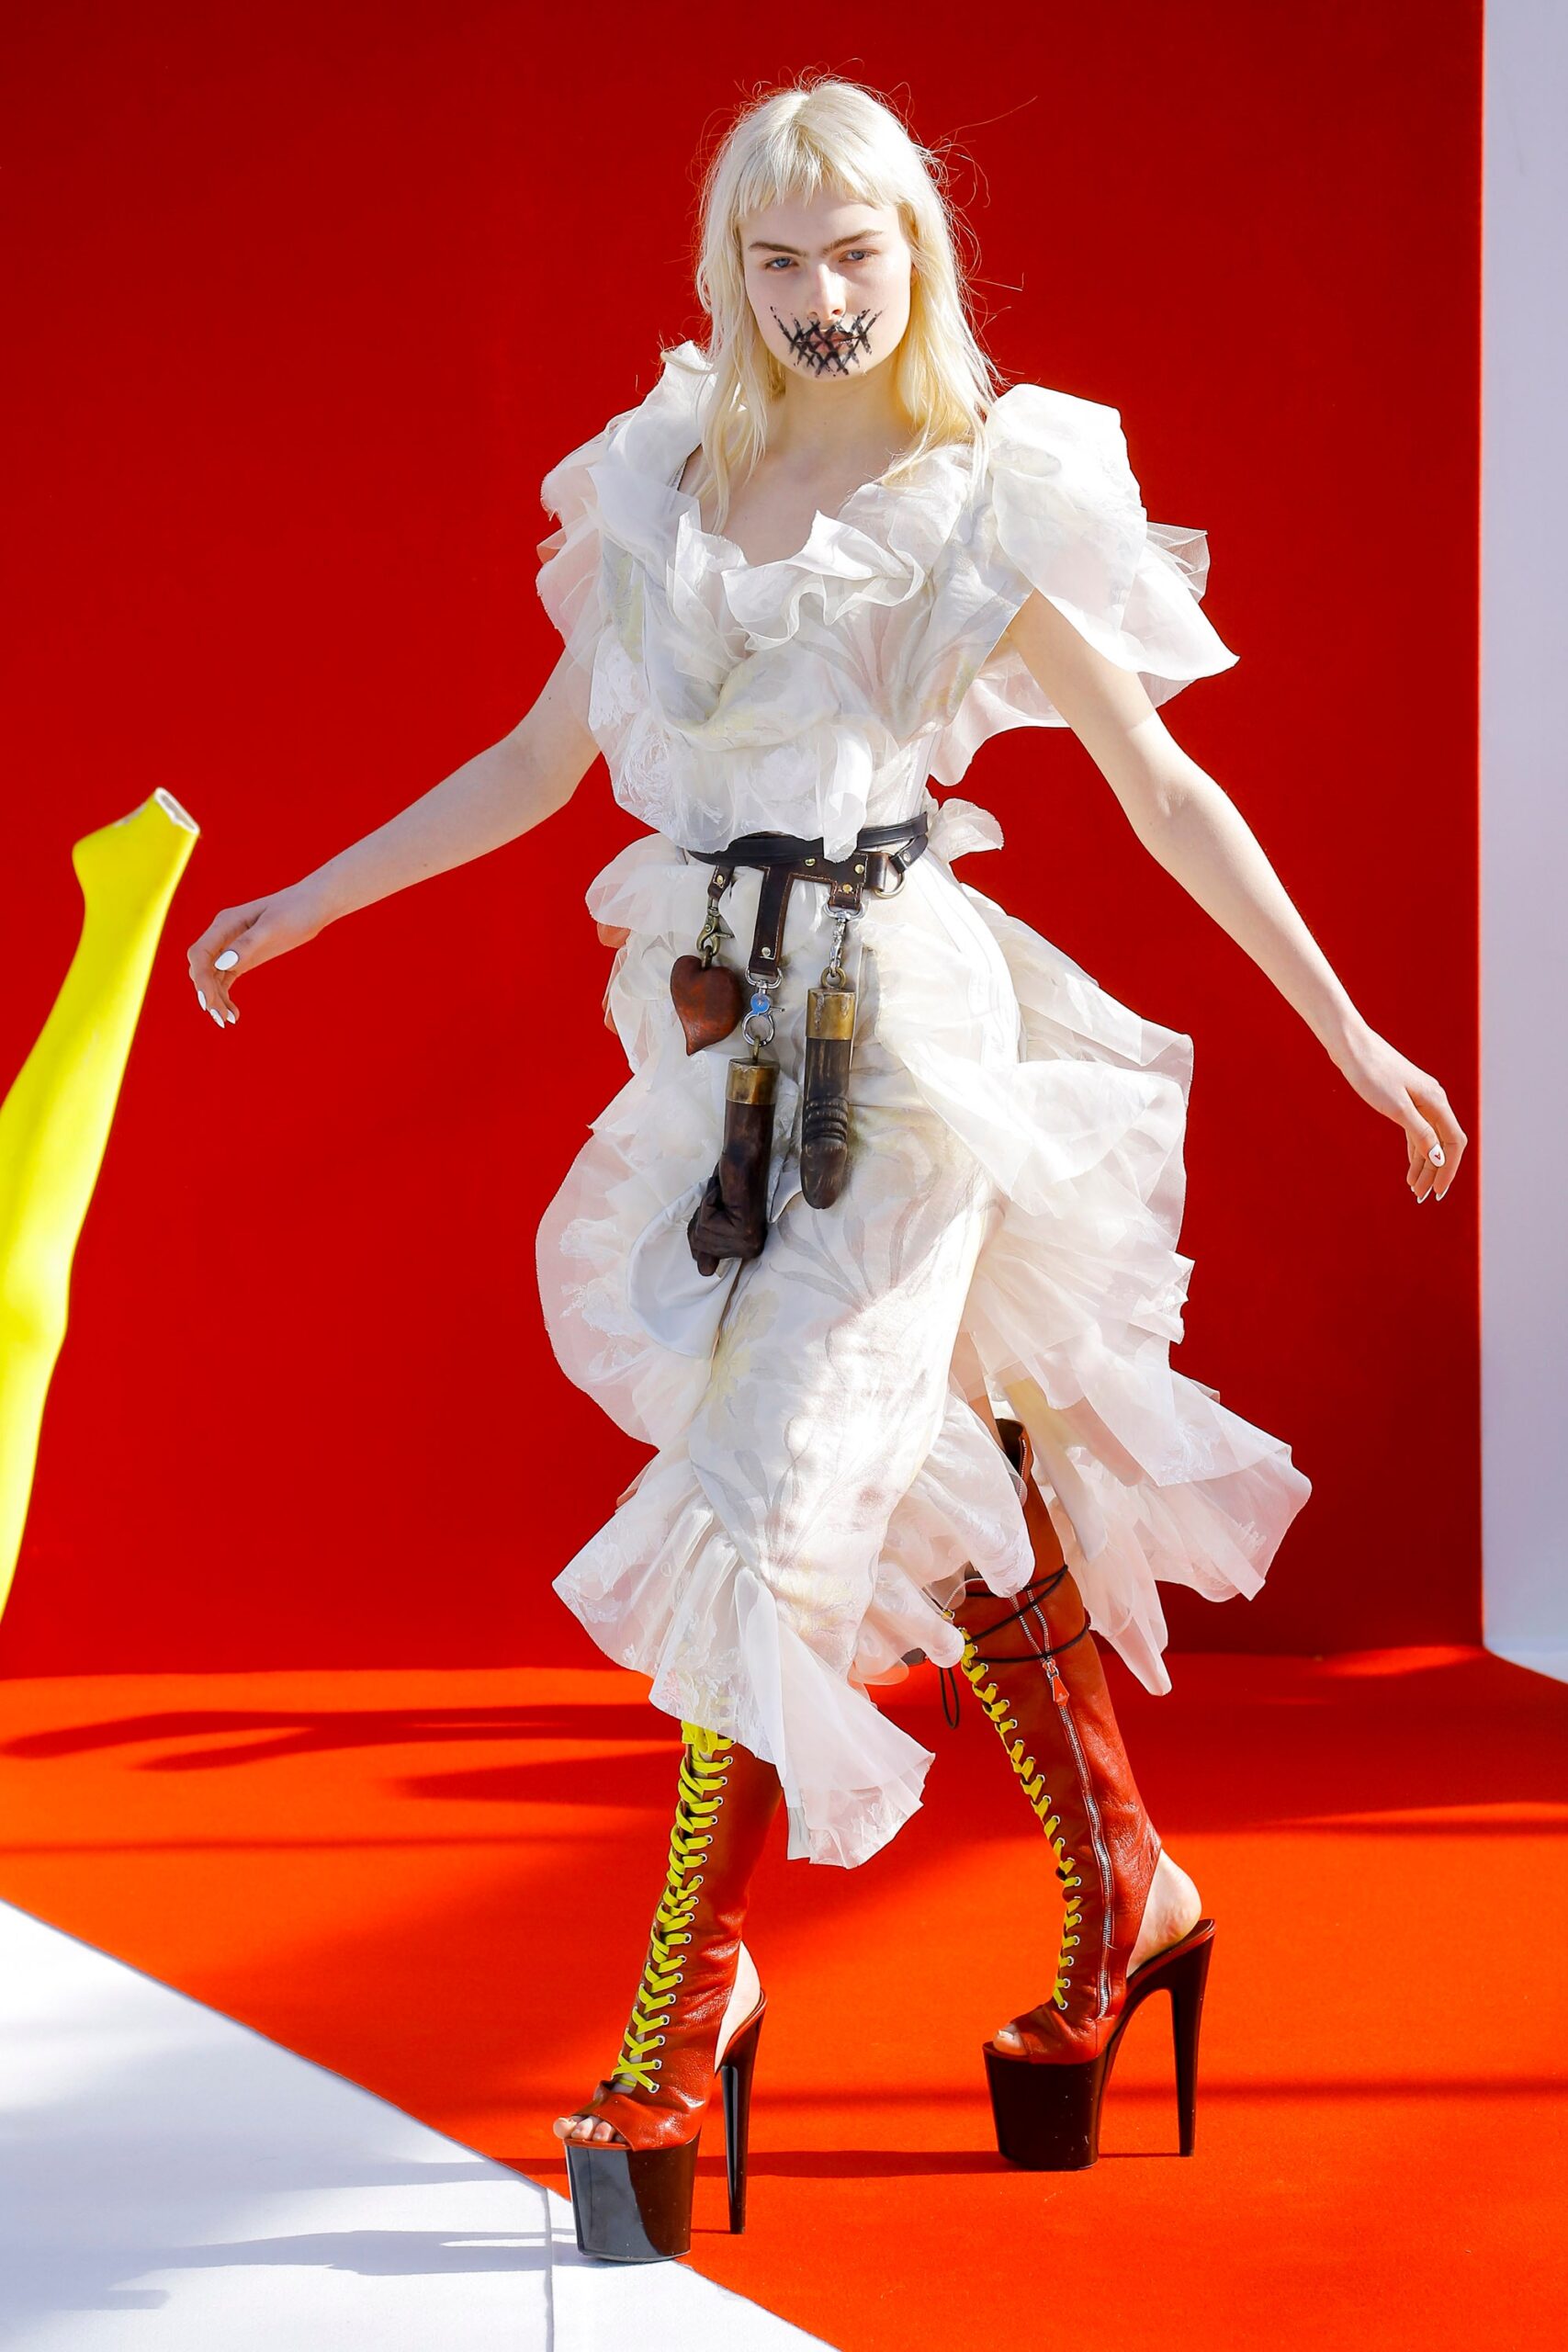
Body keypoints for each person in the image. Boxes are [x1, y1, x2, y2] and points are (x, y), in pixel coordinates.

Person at [186, 77, 1466, 2262]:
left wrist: (1344, 1027)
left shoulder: (979, 491)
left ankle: (683, 2006)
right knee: (919, 1473)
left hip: (897, 1043)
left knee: (771, 1491)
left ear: (913, 250)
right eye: (774, 261)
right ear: (727, 266)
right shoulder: (662, 476)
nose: (814, 298)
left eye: (853, 253)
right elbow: (531, 760)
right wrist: (304, 901)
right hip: (709, 1046)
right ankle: (1127, 1885)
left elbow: (1160, 788)